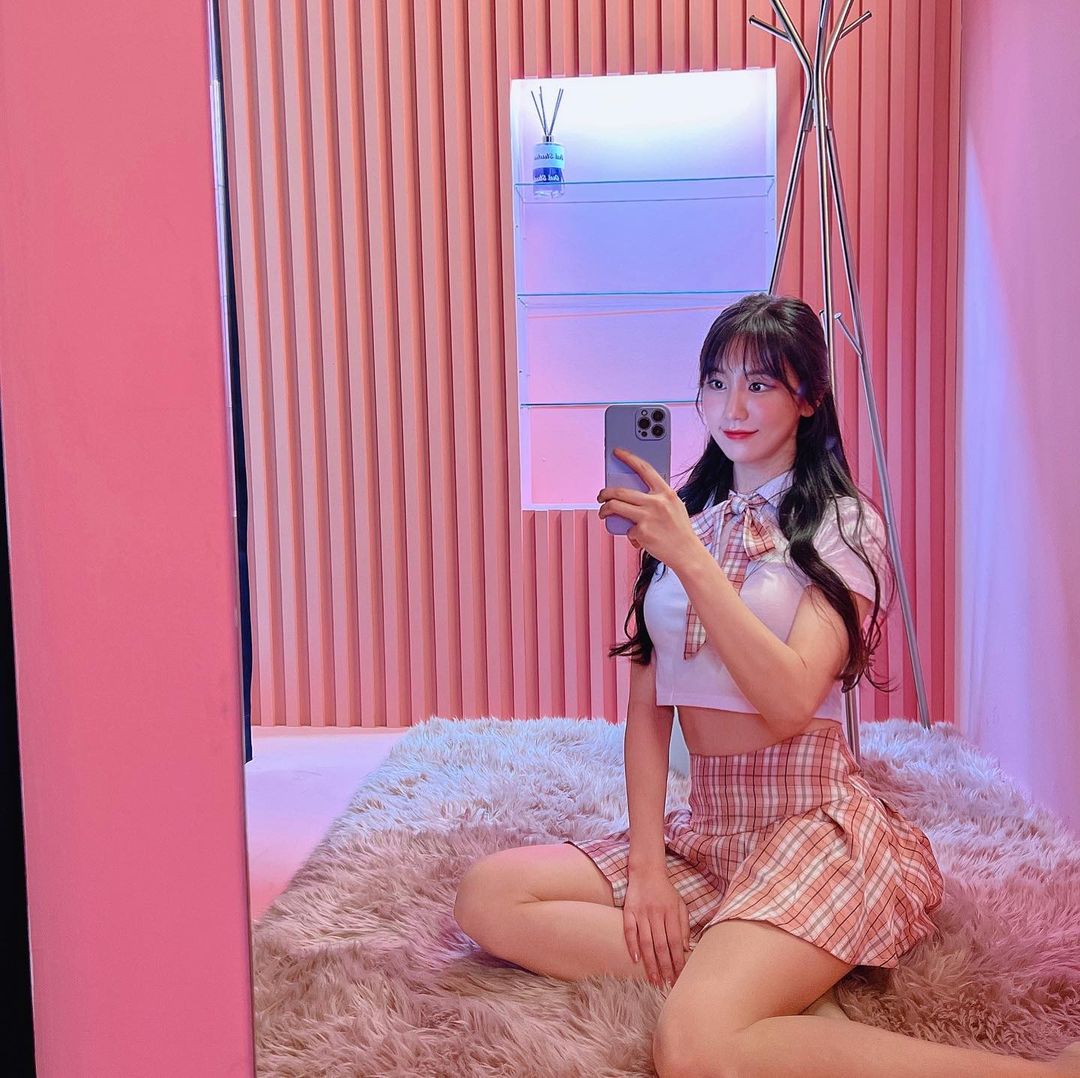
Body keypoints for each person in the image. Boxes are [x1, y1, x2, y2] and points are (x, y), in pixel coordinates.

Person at [453, 293, 1078, 1076]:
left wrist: (689, 560)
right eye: (716, 383)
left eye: (760, 385)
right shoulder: (687, 520)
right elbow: (647, 709)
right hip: (711, 824)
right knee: (488, 896)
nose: (732, 407)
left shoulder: (844, 527)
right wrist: (646, 869)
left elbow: (787, 702)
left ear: (808, 398)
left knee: (695, 1047)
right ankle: (763, 973)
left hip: (810, 822)